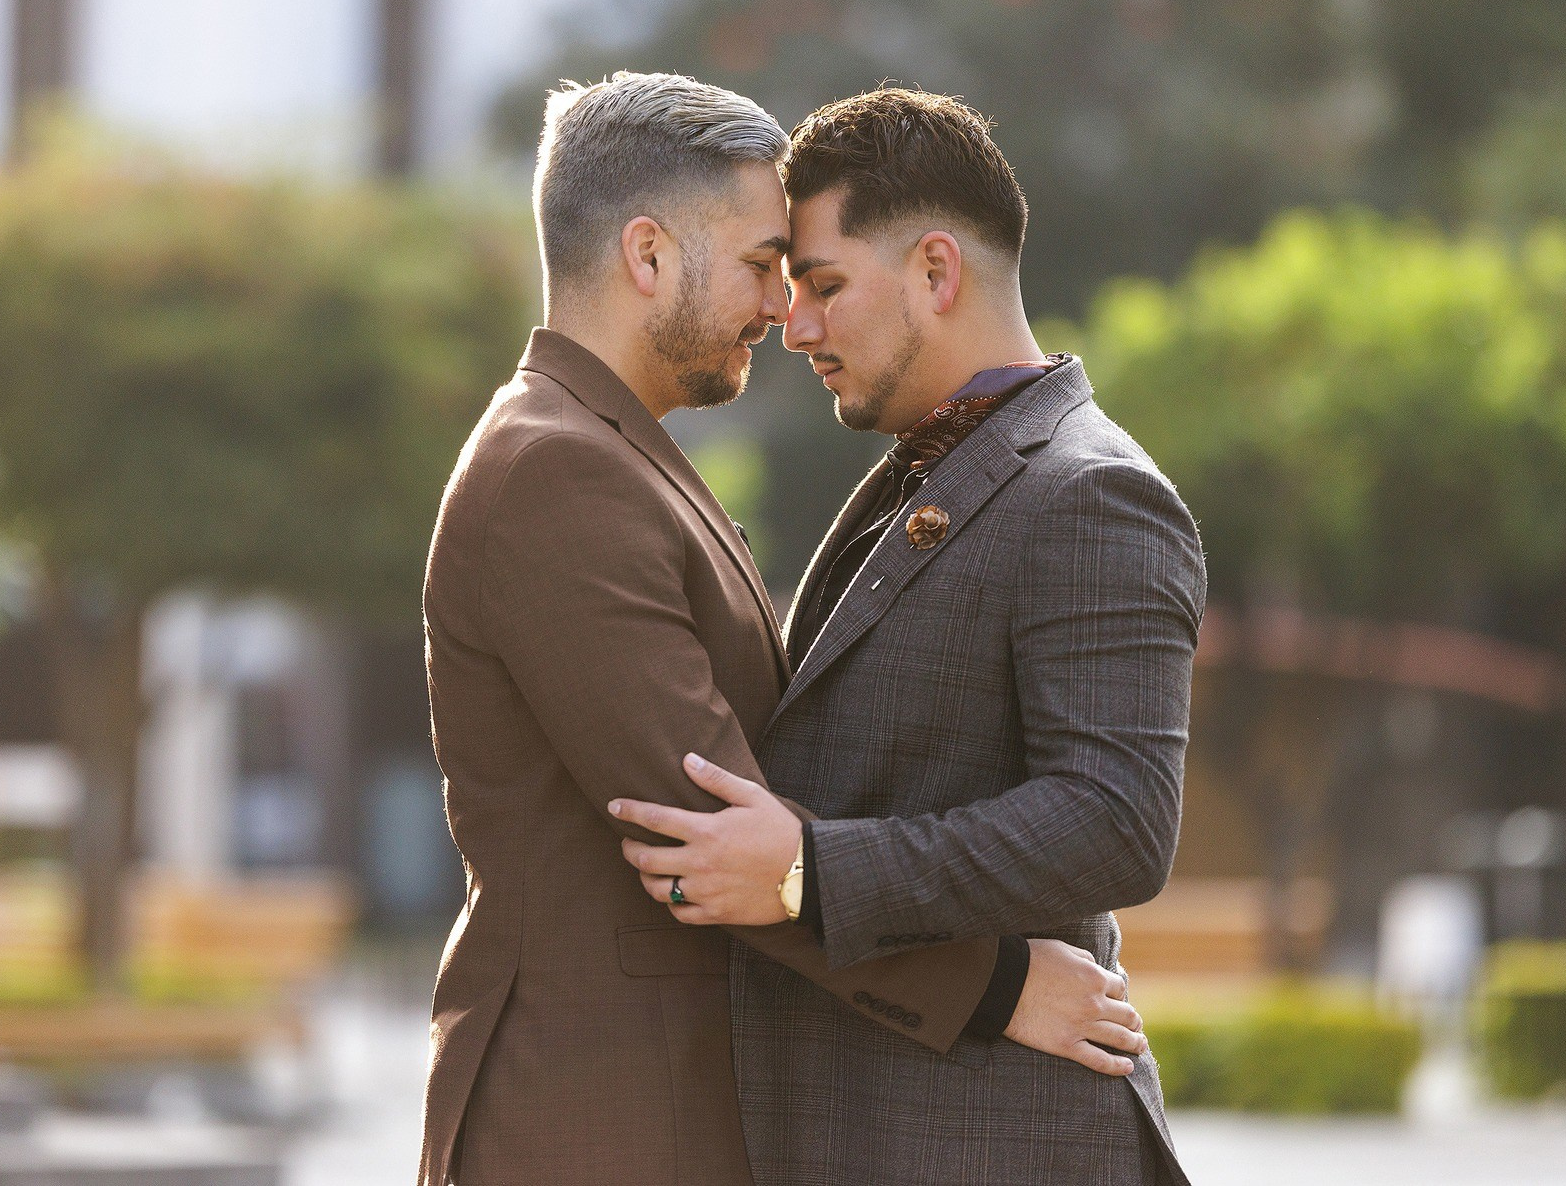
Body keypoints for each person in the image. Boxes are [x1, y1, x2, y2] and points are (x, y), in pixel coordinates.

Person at [418, 73, 1147, 1186]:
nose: (781, 311)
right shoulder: (555, 469)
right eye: (764, 265)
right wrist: (998, 987)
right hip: (594, 1121)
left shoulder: (614, 452)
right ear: (649, 256)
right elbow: (713, 839)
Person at [610, 89, 1204, 1184]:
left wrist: (809, 873)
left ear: (935, 272)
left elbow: (1116, 821)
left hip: (999, 1144)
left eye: (824, 287)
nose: (794, 328)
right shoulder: (923, 472)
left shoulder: (1095, 493)